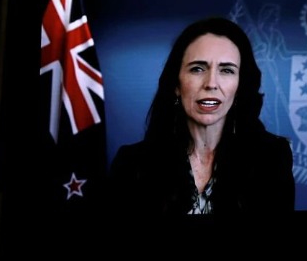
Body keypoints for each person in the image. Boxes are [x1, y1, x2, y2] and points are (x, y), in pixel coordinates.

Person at [108, 17, 295, 215]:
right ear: (176, 85)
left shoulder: (273, 157)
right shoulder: (131, 163)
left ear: (239, 87)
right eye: (198, 69)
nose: (211, 83)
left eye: (226, 70)